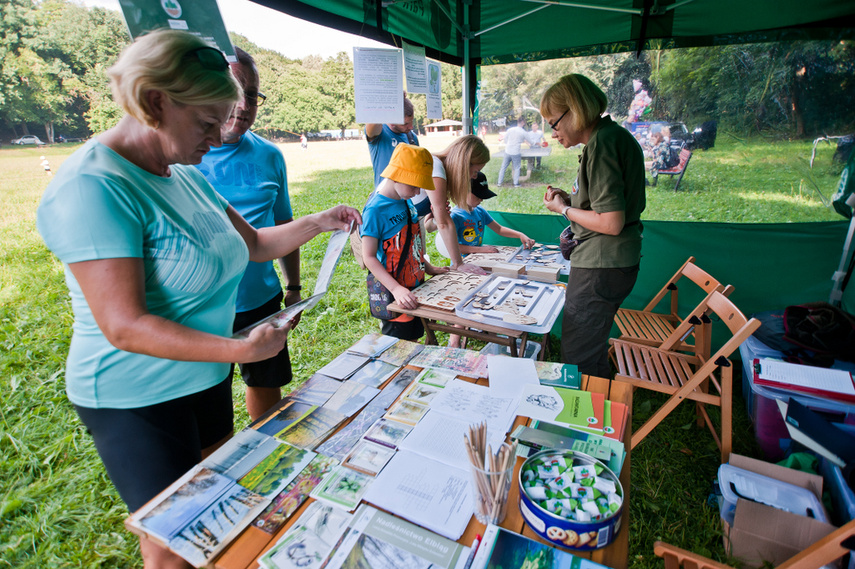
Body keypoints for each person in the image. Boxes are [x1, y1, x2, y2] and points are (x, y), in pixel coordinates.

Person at [35, 30, 360, 569]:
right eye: (207, 123)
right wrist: (239, 351)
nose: (219, 135)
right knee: (171, 546)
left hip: (203, 376)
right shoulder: (93, 186)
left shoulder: (184, 173)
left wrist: (318, 222)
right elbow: (124, 325)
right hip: (134, 396)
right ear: (157, 101)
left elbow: (253, 244)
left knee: (212, 512)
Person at [196, 47, 299, 421]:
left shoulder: (270, 155)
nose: (243, 105)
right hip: (203, 310)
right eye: (234, 91)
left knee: (266, 386)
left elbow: (278, 228)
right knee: (211, 405)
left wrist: (294, 288)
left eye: (252, 94)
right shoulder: (184, 157)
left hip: (260, 299)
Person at [540, 73, 646, 378]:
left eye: (554, 123)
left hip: (602, 263)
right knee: (592, 344)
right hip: (611, 261)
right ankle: (605, 410)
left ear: (575, 110)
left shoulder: (602, 144)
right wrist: (570, 203)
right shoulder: (610, 137)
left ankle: (587, 419)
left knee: (578, 355)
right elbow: (604, 205)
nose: (554, 133)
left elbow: (610, 222)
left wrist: (564, 209)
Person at [361, 144, 449, 340]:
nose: (418, 192)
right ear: (396, 175)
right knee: (401, 347)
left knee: (416, 336)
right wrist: (395, 289)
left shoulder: (407, 201)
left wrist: (428, 267)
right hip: (395, 294)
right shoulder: (376, 210)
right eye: (414, 185)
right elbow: (368, 257)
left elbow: (412, 244)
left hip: (416, 287)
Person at [428, 135, 493, 274]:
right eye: (475, 171)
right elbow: (444, 223)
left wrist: (436, 217)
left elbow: (429, 225)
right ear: (464, 163)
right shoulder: (436, 169)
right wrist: (458, 264)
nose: (475, 177)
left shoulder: (441, 173)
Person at [452, 172, 535, 255]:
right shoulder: (455, 216)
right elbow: (453, 247)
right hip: (461, 263)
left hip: (476, 259)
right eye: (478, 196)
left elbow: (499, 229)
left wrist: (520, 235)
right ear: (462, 191)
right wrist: (481, 250)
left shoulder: (480, 211)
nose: (481, 199)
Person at [364, 95, 420, 190]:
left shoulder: (412, 137)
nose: (411, 127)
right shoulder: (381, 134)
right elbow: (372, 123)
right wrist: (388, 101)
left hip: (408, 198)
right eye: (405, 123)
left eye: (411, 121)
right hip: (385, 196)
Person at [498, 117, 534, 187]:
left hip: (507, 150)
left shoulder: (510, 129)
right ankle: (516, 183)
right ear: (523, 123)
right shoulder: (523, 132)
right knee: (517, 167)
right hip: (515, 152)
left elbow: (505, 139)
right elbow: (531, 142)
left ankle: (499, 183)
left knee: (503, 167)